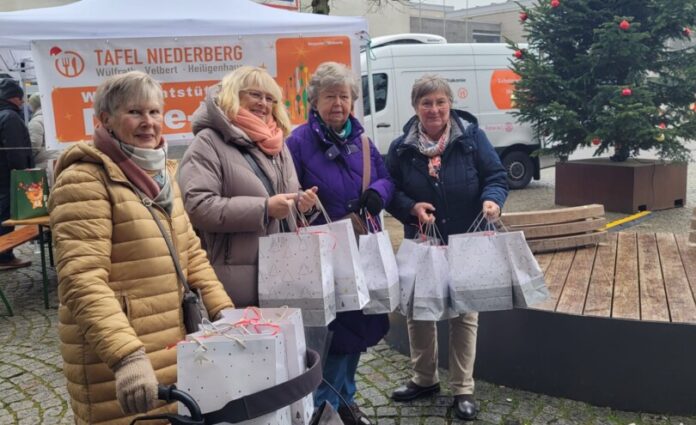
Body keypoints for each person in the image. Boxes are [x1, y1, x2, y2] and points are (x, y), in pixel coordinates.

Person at [48, 71, 234, 425]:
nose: (148, 122)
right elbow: (81, 280)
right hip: (116, 357)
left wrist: (225, 312)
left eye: (154, 112)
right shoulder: (85, 178)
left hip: (169, 343)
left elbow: (191, 253)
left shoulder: (164, 174)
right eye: (135, 112)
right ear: (106, 120)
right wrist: (127, 357)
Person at [386, 75, 508, 421]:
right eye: (427, 103)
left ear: (450, 104)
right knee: (419, 313)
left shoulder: (471, 139)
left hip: (466, 239)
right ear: (415, 107)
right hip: (423, 240)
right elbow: (390, 190)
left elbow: (496, 177)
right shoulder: (401, 148)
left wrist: (492, 200)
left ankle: (463, 388)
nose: (434, 109)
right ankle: (424, 379)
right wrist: (411, 207)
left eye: (440, 102)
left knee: (464, 315)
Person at [285, 62, 394, 425]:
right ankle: (323, 406)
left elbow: (386, 179)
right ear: (314, 101)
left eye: (344, 96)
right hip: (323, 252)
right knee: (330, 334)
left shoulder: (362, 141)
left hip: (360, 249)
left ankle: (346, 398)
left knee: (359, 328)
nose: (338, 103)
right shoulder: (298, 142)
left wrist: (378, 193)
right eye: (330, 96)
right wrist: (300, 200)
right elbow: (286, 191)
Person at [178, 66, 317, 308]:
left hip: (283, 276)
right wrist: (264, 209)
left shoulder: (278, 143)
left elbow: (283, 196)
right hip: (234, 285)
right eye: (255, 95)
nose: (263, 103)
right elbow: (197, 207)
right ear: (234, 94)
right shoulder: (208, 142)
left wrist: (301, 204)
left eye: (270, 98)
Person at [0, 78, 33, 270]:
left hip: (2, 175)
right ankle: (4, 255)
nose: (22, 103)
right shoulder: (10, 117)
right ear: (15, 98)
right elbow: (16, 151)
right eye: (21, 99)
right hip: (8, 177)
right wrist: (23, 175)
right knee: (5, 216)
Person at [27, 93, 59, 172]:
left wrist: (27, 160)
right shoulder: (56, 118)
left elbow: (34, 144)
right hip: (59, 159)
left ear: (33, 105)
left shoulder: (36, 121)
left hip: (44, 163)